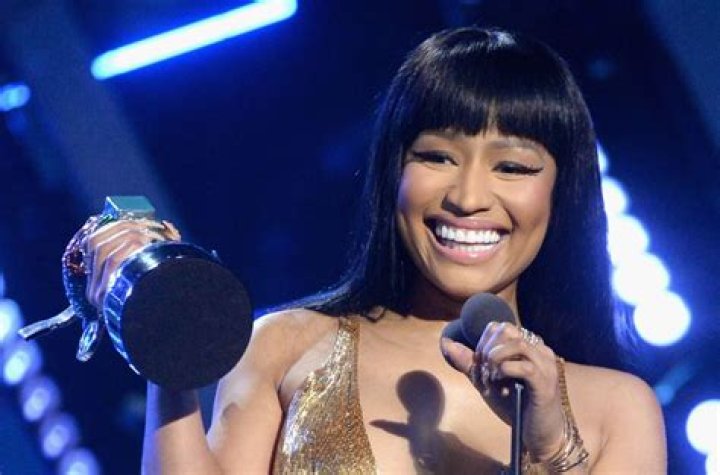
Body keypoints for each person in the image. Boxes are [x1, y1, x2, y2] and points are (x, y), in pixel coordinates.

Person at [84, 27, 666, 473]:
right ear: (393, 171)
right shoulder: (286, 346)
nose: (467, 198)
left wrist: (551, 450)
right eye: (436, 157)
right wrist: (165, 330)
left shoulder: (617, 408)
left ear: (561, 193)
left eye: (512, 167)